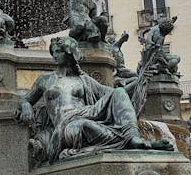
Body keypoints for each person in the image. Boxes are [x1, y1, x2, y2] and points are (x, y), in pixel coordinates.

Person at [15, 36, 173, 167]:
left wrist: (140, 80)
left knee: (117, 92)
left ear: (70, 54)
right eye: (54, 52)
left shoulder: (84, 80)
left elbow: (115, 94)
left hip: (88, 114)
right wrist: (26, 106)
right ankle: (127, 141)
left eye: (59, 52)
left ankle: (134, 137)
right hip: (66, 125)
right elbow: (26, 99)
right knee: (85, 126)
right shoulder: (45, 80)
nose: (55, 56)